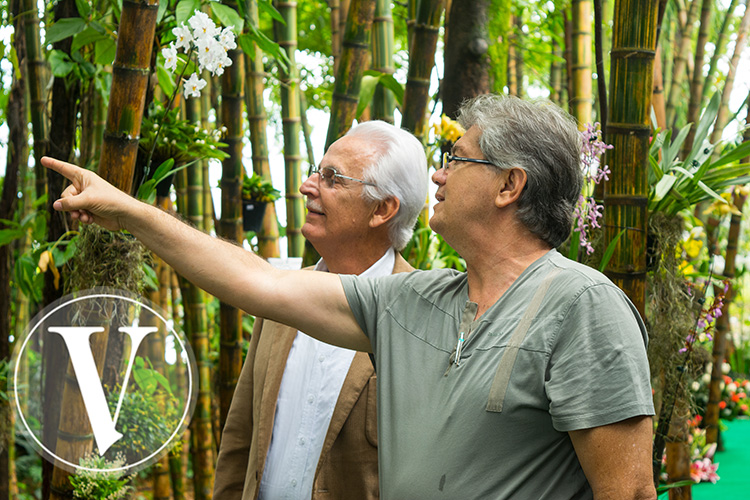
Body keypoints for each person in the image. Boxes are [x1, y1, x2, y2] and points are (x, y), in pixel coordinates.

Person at [44, 94, 657, 499]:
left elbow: (627, 493)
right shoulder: (413, 300)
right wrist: (128, 211)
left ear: (509, 185)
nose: (437, 175)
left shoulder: (581, 306)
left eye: (456, 159)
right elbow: (261, 280)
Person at [213, 121, 428, 500]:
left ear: (382, 209)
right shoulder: (280, 299)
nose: (307, 186)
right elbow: (240, 436)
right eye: (316, 170)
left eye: (332, 178)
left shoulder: (421, 317)